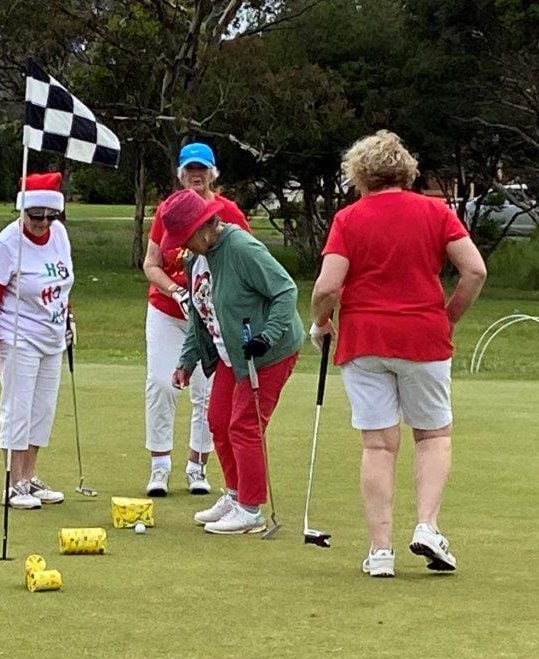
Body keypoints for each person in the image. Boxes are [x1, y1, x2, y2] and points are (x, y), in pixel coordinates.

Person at [310, 130, 487, 577]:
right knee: (432, 435)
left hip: (364, 339)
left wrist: (320, 322)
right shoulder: (436, 211)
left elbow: (327, 287)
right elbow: (474, 271)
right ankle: (427, 526)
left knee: (378, 444)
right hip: (423, 337)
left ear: (360, 174)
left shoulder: (349, 218)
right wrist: (449, 317)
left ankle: (380, 551)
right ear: (406, 170)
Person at [166, 188, 304, 534]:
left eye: (185, 237)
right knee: (218, 420)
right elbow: (200, 314)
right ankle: (234, 494)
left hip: (267, 352)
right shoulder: (195, 259)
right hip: (232, 352)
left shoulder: (241, 248)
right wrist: (187, 360)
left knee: (244, 425)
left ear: (204, 228)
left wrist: (267, 336)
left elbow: (285, 290)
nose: (182, 246)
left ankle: (251, 509)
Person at [142, 142, 252, 497]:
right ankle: (160, 466)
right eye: (190, 169)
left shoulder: (228, 212)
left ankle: (197, 466)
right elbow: (151, 264)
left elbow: (246, 258)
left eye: (202, 169)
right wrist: (176, 291)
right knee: (161, 384)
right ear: (181, 173)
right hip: (167, 309)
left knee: (206, 393)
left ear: (212, 173)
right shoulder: (168, 210)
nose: (196, 175)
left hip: (212, 316)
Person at [0, 172, 75, 509]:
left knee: (42, 410)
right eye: (36, 216)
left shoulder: (59, 235)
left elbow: (62, 284)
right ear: (23, 212)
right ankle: (13, 482)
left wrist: (68, 318)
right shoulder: (8, 244)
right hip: (18, 336)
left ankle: (29, 477)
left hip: (52, 336)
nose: (43, 223)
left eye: (50, 216)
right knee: (17, 408)